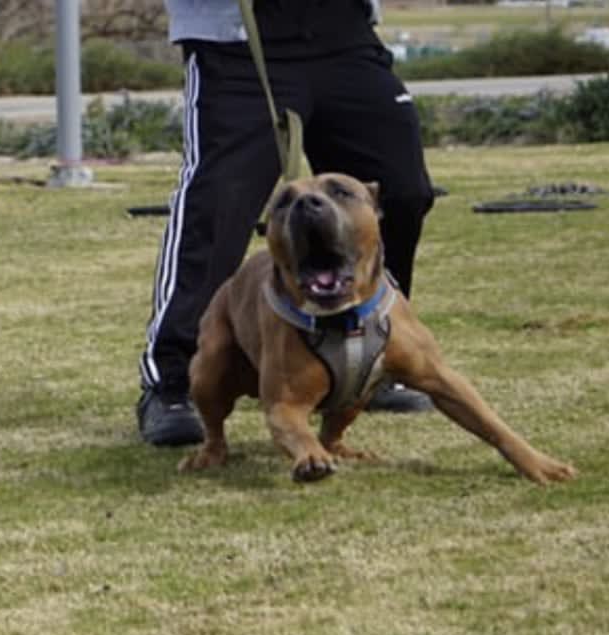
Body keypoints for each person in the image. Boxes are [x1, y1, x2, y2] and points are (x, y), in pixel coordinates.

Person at [138, 0, 436, 447]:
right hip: (237, 43)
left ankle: (371, 357)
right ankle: (173, 382)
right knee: (216, 208)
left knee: (401, 190)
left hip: (344, 34)